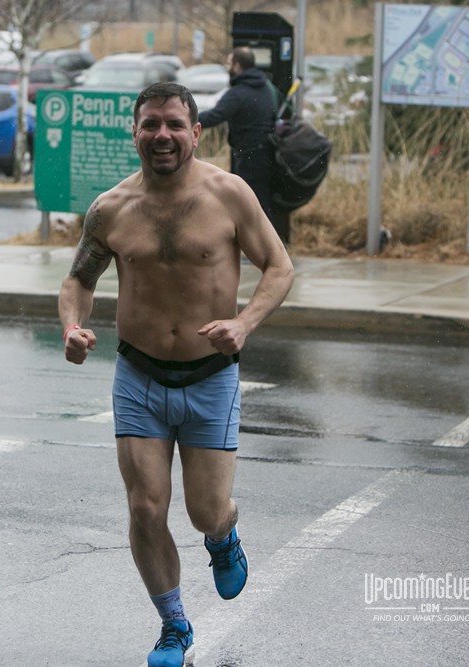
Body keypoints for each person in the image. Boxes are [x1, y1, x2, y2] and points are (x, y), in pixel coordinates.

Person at [58, 81, 294, 667]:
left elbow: (279, 266)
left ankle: (223, 535)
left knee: (205, 510)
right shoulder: (111, 207)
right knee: (144, 508)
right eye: (151, 124)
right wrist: (72, 326)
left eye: (174, 124)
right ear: (134, 132)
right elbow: (79, 279)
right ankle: (173, 626)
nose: (162, 135)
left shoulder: (229, 194)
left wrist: (244, 323)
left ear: (196, 132)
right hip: (138, 377)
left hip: (211, 376)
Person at [198, 47, 282, 239]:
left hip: (248, 155)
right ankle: (265, 244)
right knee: (260, 200)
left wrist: (187, 119)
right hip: (267, 152)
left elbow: (215, 116)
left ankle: (267, 246)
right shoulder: (267, 87)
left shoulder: (237, 93)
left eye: (228, 63)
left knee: (252, 202)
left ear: (237, 66)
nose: (227, 67)